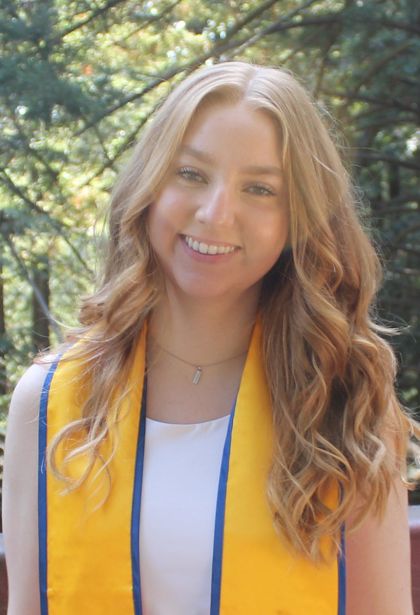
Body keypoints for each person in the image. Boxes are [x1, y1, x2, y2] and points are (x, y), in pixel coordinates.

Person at [2, 61, 418, 615]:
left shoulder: (345, 408)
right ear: (149, 184)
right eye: (191, 174)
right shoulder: (50, 404)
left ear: (300, 218)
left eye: (260, 188)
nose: (217, 213)